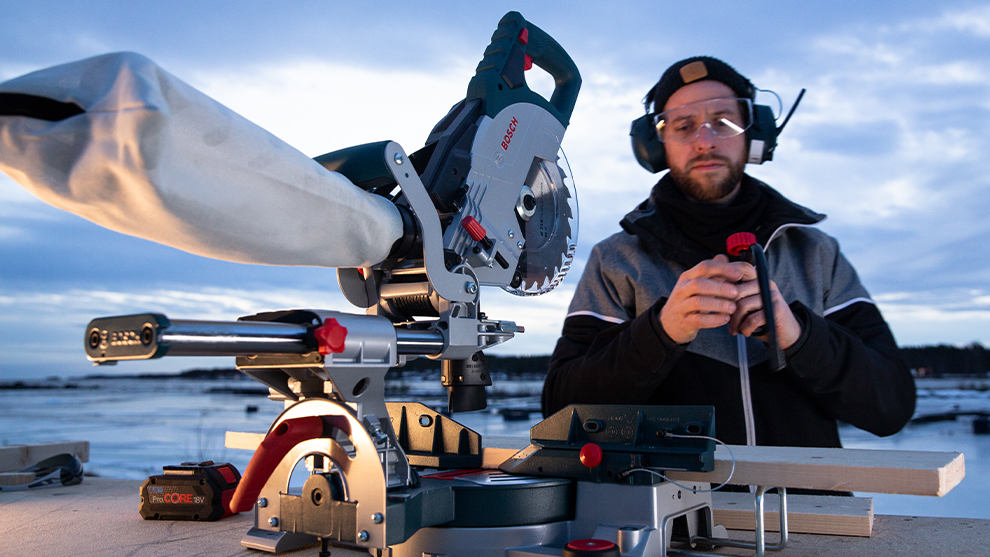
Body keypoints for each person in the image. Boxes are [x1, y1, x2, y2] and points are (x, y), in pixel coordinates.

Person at [541, 56, 916, 449]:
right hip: (668, 509)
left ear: (756, 135)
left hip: (808, 509)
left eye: (724, 122)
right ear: (654, 146)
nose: (705, 140)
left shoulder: (816, 254)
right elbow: (562, 417)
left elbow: (891, 407)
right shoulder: (617, 261)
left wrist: (800, 336)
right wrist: (661, 332)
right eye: (683, 126)